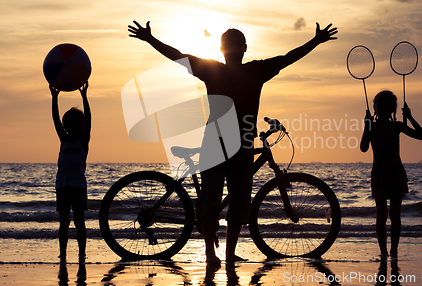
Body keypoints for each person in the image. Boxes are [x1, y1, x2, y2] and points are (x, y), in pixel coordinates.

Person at [128, 20, 338, 265]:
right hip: (229, 145)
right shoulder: (252, 70)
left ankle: (215, 255)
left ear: (223, 49)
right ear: (243, 48)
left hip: (226, 145)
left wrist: (151, 39)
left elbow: (178, 56)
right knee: (230, 203)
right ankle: (219, 255)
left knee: (221, 202)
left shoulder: (218, 69)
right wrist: (314, 41)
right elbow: (288, 58)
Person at [360, 90, 422, 259]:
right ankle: (383, 252)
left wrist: (409, 117)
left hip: (395, 172)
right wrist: (367, 125)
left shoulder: (397, 126)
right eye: (379, 104)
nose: (382, 108)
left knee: (395, 216)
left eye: (386, 105)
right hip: (379, 174)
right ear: (373, 107)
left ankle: (394, 251)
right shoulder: (372, 126)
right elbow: (363, 147)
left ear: (393, 109)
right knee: (381, 216)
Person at [50, 82, 91, 263]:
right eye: (72, 125)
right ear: (67, 127)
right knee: (64, 222)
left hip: (79, 186)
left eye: (79, 125)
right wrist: (54, 98)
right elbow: (55, 121)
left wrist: (84, 97)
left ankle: (82, 253)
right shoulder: (64, 139)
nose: (76, 128)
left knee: (79, 222)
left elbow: (89, 119)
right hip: (63, 186)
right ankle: (63, 254)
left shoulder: (83, 141)